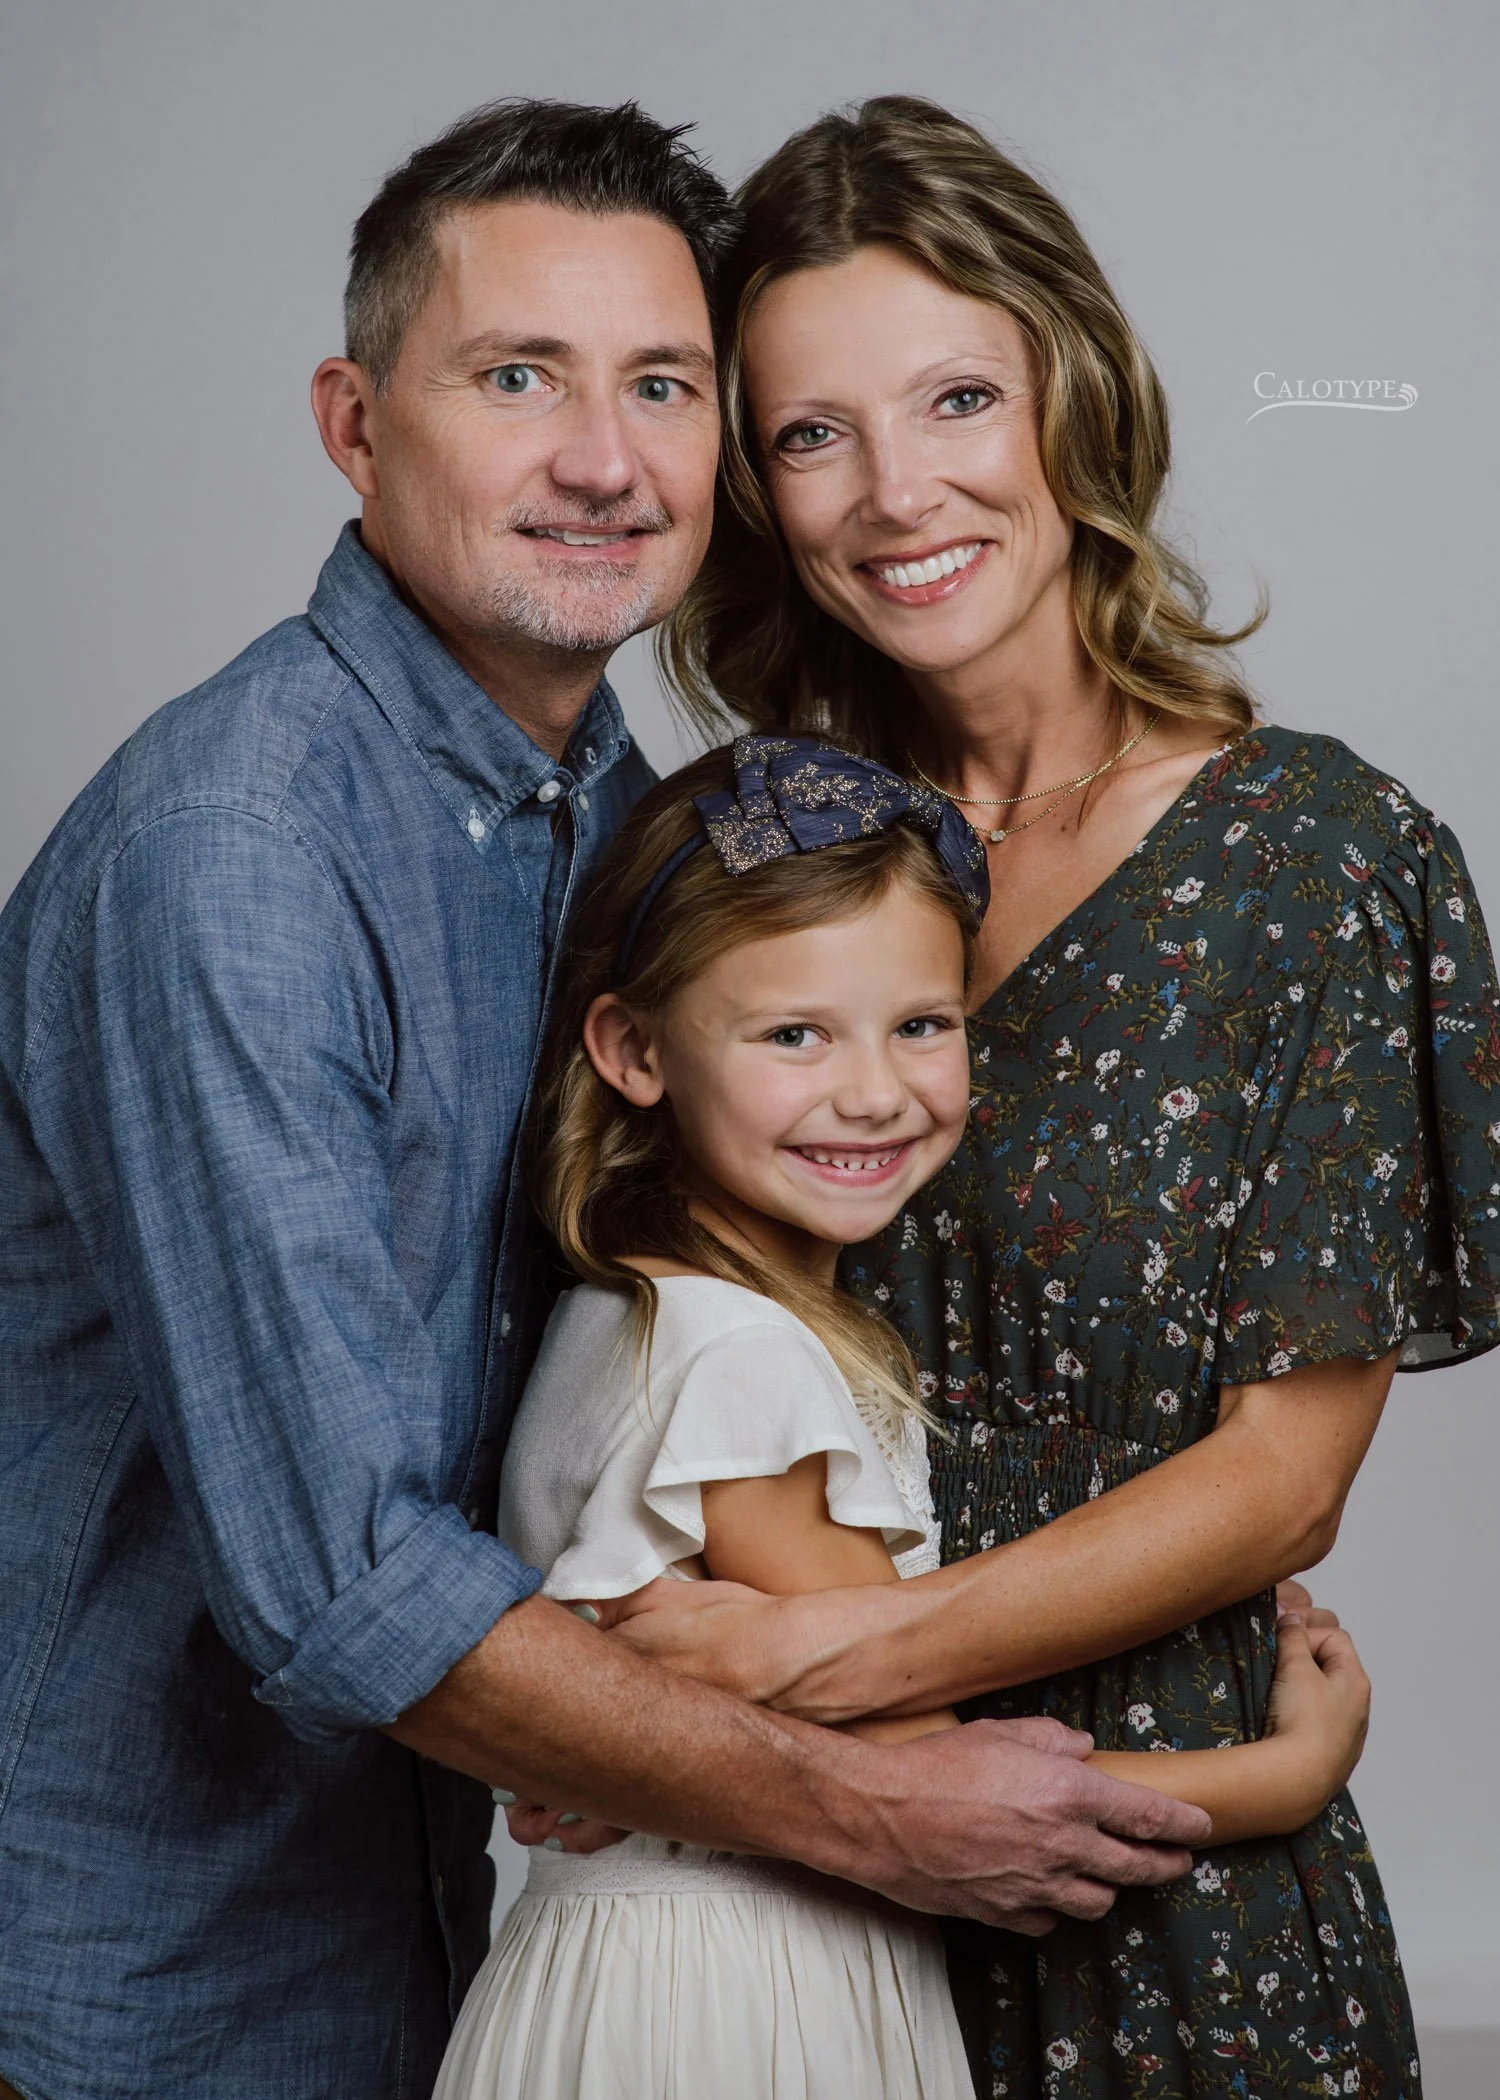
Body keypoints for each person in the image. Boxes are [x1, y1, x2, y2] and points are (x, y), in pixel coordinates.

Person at [0, 98, 1207, 2100]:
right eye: (514, 377)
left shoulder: (631, 838)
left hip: (480, 1918)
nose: (600, 457)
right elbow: (345, 1588)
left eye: (661, 383)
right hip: (151, 1962)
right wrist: (871, 1808)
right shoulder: (241, 855)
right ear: (352, 420)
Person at [548, 96, 1500, 2096]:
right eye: (814, 434)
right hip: (781, 1899)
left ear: (1073, 391)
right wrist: (614, 1724)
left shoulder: (1318, 858)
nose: (898, 494)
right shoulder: (732, 866)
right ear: (753, 487)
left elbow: (1281, 1480)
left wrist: (799, 1666)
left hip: (1160, 1876)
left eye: (957, 398)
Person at [440, 735, 1371, 2100]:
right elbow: (950, 1803)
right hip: (744, 2004)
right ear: (633, 1050)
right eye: (794, 1034)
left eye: (922, 1024)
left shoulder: (617, 1307)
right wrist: (1292, 1774)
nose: (875, 1090)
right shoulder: (746, 1372)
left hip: (609, 1979)